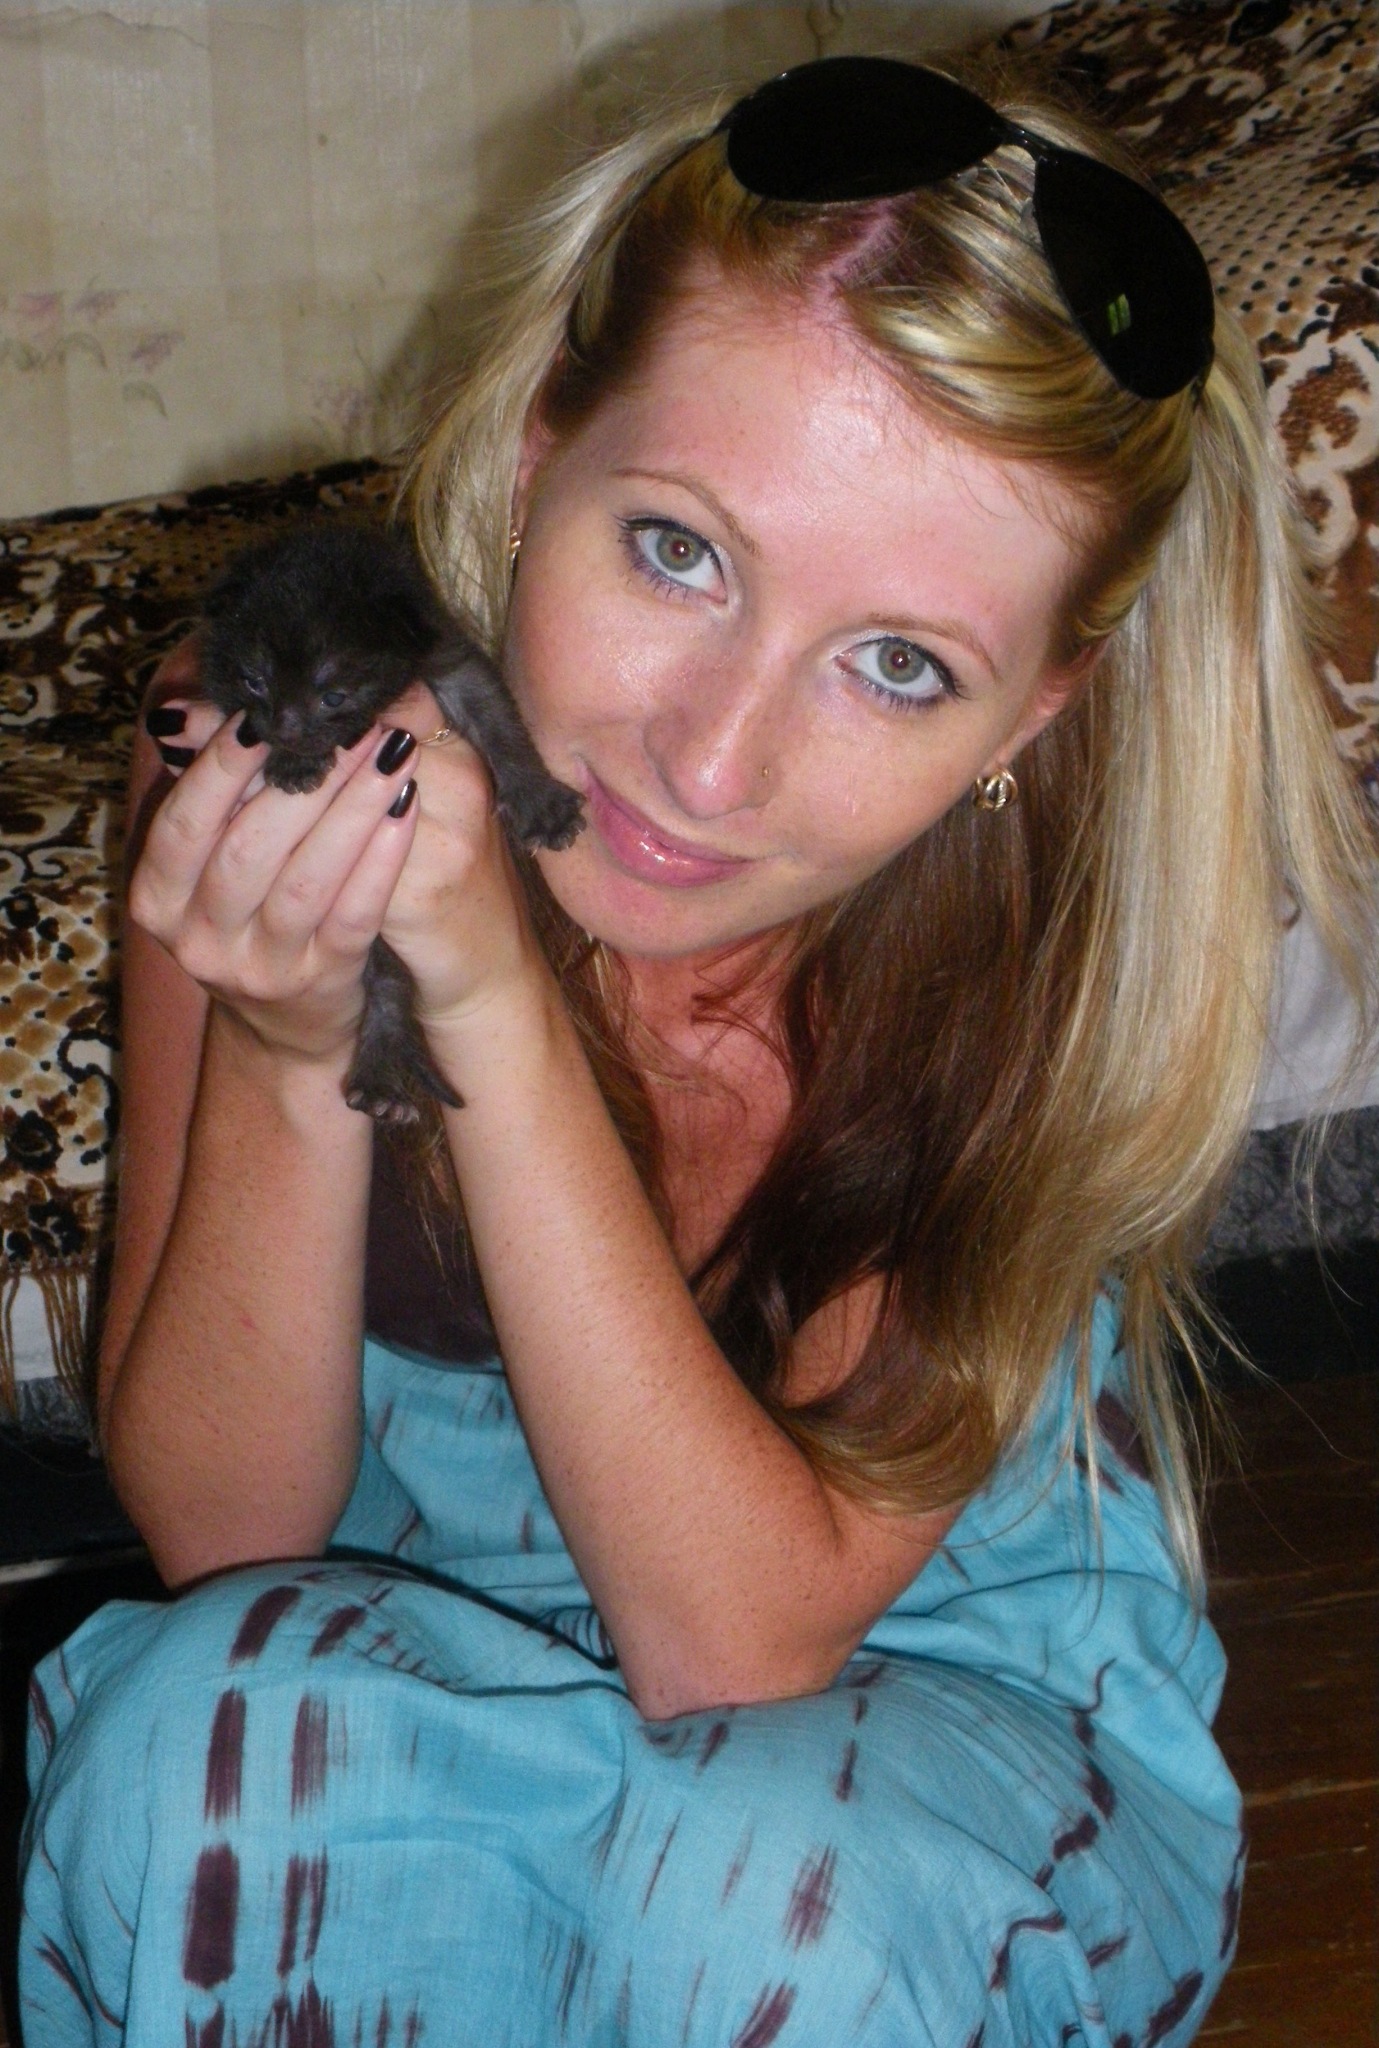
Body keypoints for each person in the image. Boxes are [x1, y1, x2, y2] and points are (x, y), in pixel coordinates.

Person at [18, 53, 1377, 2048]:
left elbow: (735, 1642)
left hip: (927, 1696)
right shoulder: (291, 746)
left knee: (750, 1908)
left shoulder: (1020, 954)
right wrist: (294, 1037)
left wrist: (485, 999)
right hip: (433, 1633)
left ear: (1030, 715)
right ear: (536, 453)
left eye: (898, 666)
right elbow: (231, 1544)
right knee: (177, 1759)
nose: (715, 762)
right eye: (678, 552)